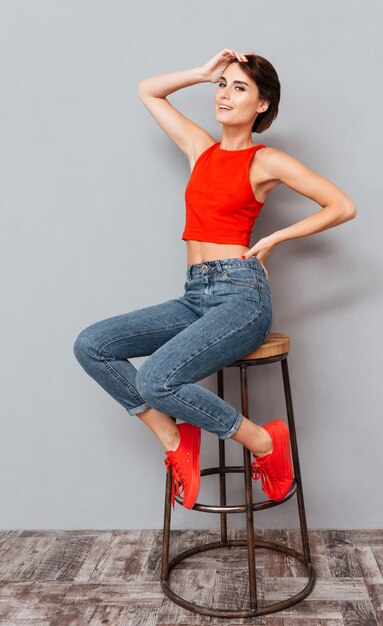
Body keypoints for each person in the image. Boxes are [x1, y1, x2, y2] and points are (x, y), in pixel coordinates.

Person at [73, 49, 357, 510]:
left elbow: (342, 206)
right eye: (222, 85)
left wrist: (276, 239)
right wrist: (202, 72)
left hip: (241, 297)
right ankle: (172, 437)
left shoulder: (265, 161)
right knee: (92, 344)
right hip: (195, 294)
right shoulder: (199, 148)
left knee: (157, 380)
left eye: (239, 87)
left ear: (262, 104)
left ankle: (263, 441)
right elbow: (149, 89)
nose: (224, 94)